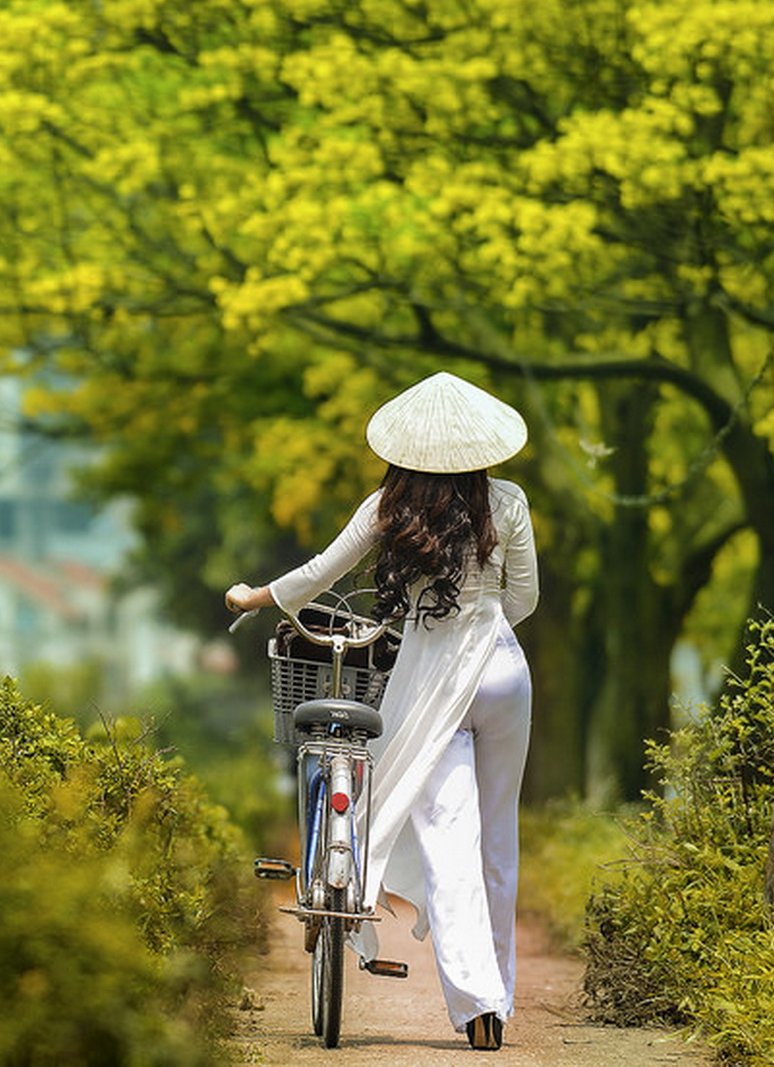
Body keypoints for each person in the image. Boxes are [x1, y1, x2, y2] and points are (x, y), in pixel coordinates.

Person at [224, 371, 538, 1053]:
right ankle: (499, 998)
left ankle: (481, 1005)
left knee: (448, 836)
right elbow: (525, 600)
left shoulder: (388, 506)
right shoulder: (508, 501)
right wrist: (483, 626)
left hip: (433, 680)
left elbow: (320, 575)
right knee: (496, 839)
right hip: (507, 673)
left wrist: (254, 598)